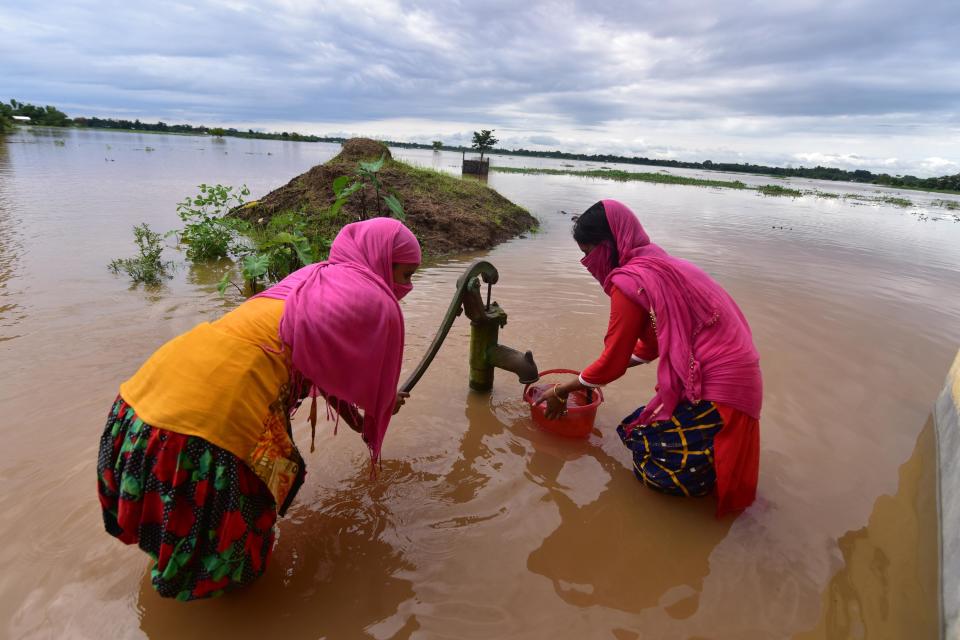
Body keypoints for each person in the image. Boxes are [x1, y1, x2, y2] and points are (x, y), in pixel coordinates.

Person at [96, 217, 421, 600]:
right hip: (215, 418)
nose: (407, 287)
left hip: (147, 395)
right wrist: (381, 404)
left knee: (174, 520)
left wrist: (365, 417)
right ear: (383, 261)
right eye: (405, 273)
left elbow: (321, 371)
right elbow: (357, 380)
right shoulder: (373, 299)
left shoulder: (315, 277)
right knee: (237, 553)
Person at [538, 200, 762, 516]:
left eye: (589, 252)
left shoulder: (628, 280)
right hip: (737, 371)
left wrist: (562, 391)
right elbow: (653, 345)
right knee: (641, 430)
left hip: (721, 384)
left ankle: (685, 503)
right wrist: (590, 376)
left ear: (610, 245)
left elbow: (613, 362)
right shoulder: (657, 263)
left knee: (648, 456)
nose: (588, 262)